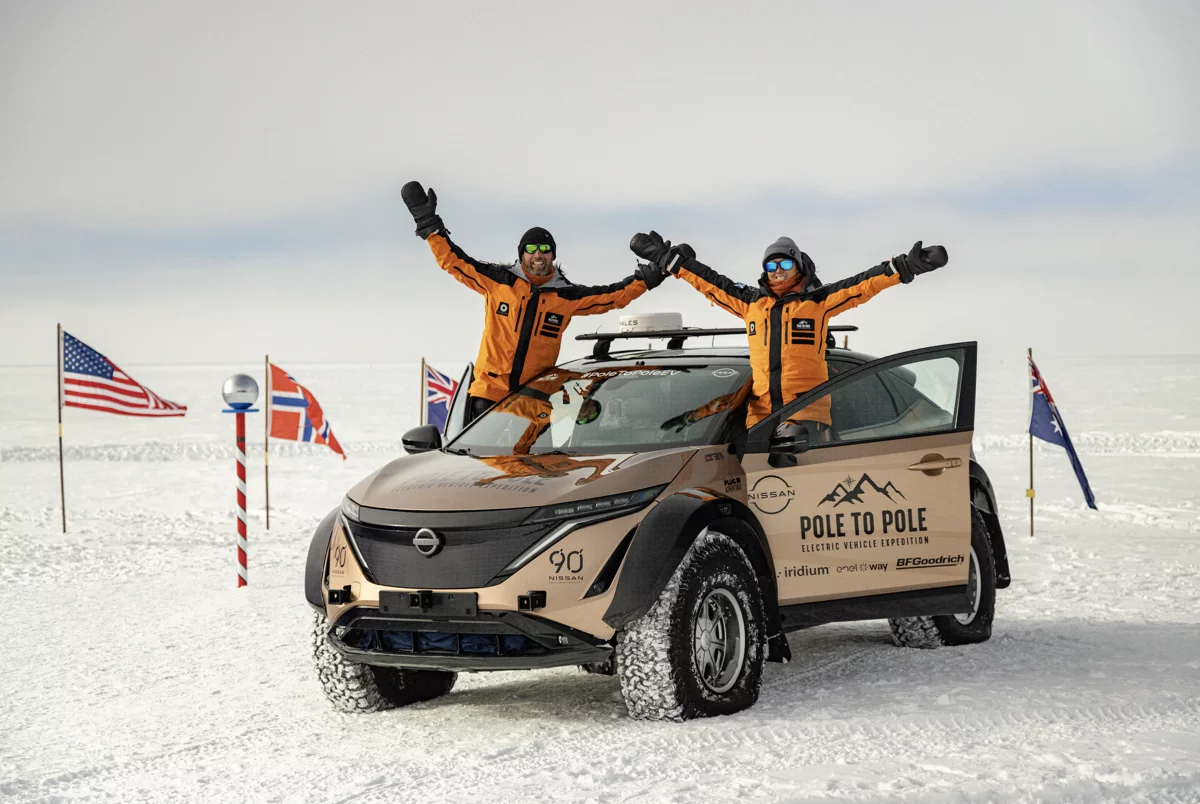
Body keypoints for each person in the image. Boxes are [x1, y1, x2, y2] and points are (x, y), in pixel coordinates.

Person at [402, 181, 663, 423]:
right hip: (489, 396)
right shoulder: (498, 281)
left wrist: (646, 279)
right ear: (521, 254)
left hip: (534, 395)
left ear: (552, 255)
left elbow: (612, 297)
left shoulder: (566, 296)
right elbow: (454, 261)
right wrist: (429, 226)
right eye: (530, 249)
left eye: (544, 249)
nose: (537, 254)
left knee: (544, 453)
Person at [632, 232, 947, 429]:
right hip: (761, 420)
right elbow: (711, 282)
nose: (778, 272)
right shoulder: (751, 304)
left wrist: (905, 267)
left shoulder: (817, 303)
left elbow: (862, 284)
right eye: (771, 266)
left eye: (784, 265)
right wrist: (667, 259)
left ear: (799, 267)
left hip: (807, 418)